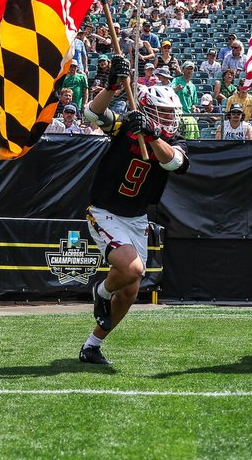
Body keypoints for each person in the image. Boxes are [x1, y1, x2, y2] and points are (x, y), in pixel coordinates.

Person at [79, 56, 188, 365]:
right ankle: (101, 292)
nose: (169, 119)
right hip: (105, 210)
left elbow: (174, 162)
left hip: (137, 217)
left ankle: (92, 345)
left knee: (129, 290)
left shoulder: (172, 139)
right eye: (163, 113)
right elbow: (92, 114)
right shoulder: (127, 125)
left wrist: (153, 134)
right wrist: (112, 86)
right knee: (133, 270)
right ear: (148, 109)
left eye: (171, 113)